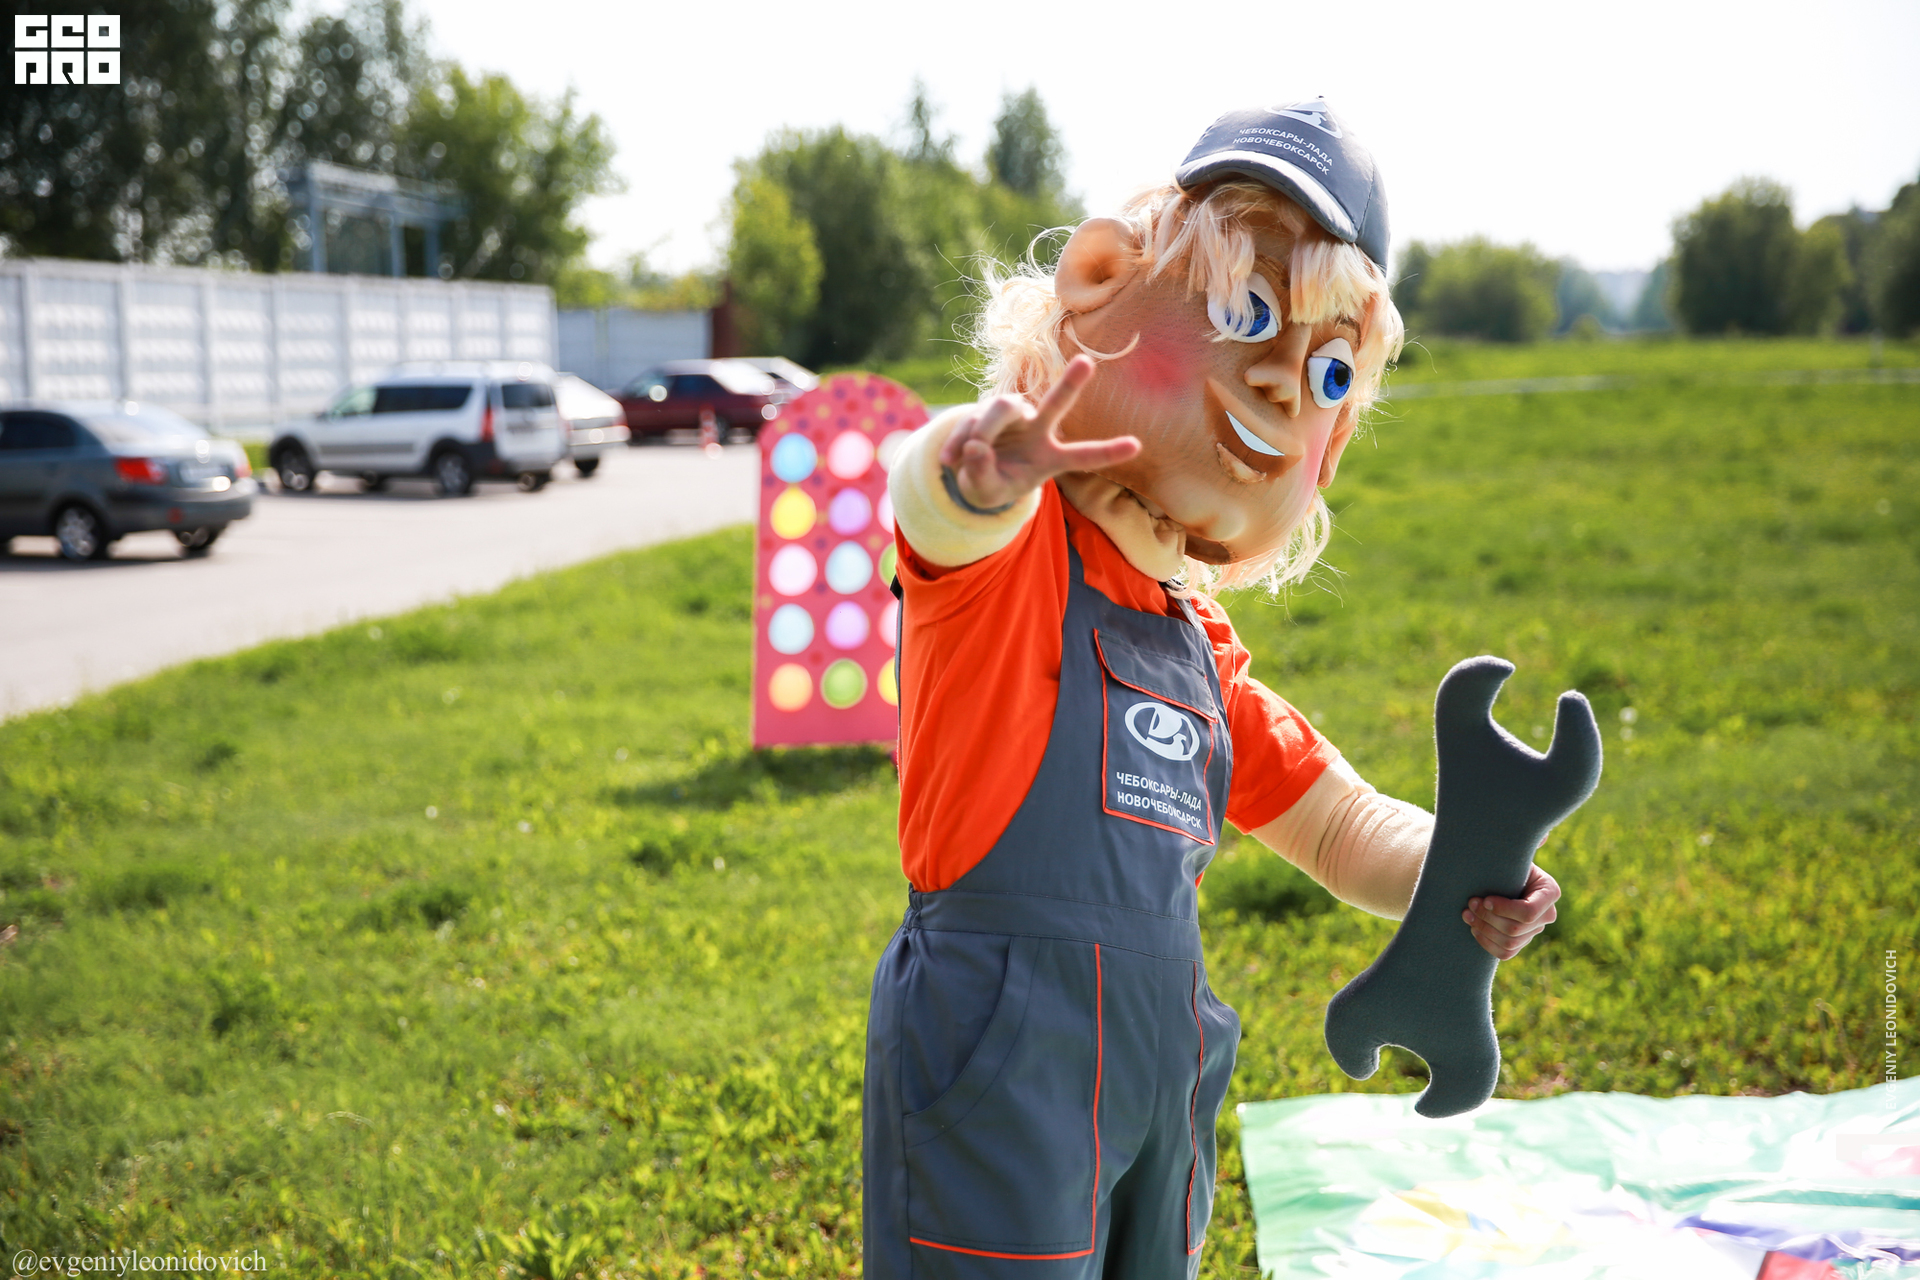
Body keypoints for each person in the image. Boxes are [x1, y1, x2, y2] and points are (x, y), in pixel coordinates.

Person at [863, 100, 1561, 1279]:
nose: (1282, 382)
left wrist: (1465, 868)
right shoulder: (1013, 563)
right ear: (1099, 281)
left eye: (1326, 371)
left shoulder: (1196, 640)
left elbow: (1337, 821)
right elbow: (940, 516)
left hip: (1161, 1063)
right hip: (1001, 1056)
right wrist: (976, 467)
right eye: (1245, 313)